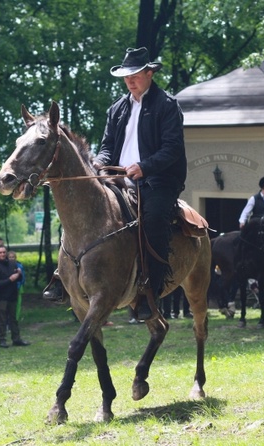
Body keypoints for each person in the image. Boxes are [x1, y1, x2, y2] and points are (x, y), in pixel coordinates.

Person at [93, 47, 187, 320]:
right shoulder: (117, 109)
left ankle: (151, 292)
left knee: (155, 218)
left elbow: (172, 149)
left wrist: (144, 167)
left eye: (135, 75)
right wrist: (100, 163)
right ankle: (67, 276)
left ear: (149, 73)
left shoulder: (167, 105)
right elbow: (107, 147)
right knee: (86, 209)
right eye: (126, 77)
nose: (130, 81)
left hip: (159, 180)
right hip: (119, 180)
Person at [0, 246, 30, 348]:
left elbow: (19, 278)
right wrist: (10, 279)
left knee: (13, 319)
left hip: (12, 295)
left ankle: (16, 338)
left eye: (3, 252)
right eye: (0, 253)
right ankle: (2, 340)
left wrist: (19, 274)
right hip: (1, 298)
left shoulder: (12, 264)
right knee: (1, 320)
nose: (2, 254)